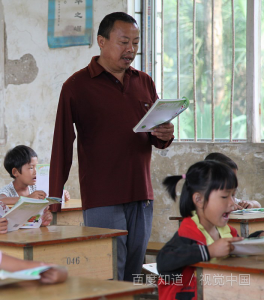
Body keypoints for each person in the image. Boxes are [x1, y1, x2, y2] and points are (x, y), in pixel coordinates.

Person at [49, 12, 174, 281]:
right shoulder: (76, 86)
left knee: (133, 271)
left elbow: (155, 136)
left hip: (141, 194)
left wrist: (165, 133)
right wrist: (54, 197)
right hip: (102, 197)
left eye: (136, 43)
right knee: (108, 273)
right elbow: (62, 141)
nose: (130, 50)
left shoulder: (144, 82)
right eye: (124, 42)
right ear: (102, 42)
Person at [156, 160, 243, 299]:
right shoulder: (187, 234)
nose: (233, 203)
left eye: (233, 195)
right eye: (225, 196)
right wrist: (209, 251)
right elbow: (163, 262)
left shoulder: (228, 233)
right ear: (199, 199)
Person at [0, 145, 70, 205]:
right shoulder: (8, 190)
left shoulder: (36, 187)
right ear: (15, 172)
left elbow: (50, 196)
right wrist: (28, 198)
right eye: (31, 168)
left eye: (37, 167)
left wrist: (62, 195)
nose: (36, 171)